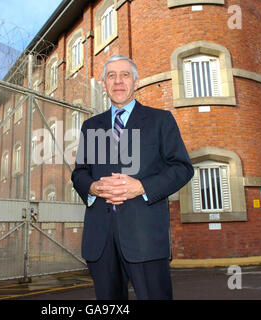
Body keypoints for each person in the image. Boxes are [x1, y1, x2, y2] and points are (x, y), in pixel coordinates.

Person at [71, 54, 194, 300]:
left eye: (125, 75)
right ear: (104, 84)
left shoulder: (161, 120)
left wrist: (141, 186)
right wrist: (94, 187)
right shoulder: (91, 126)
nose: (118, 81)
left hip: (145, 237)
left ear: (136, 82)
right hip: (100, 239)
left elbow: (182, 167)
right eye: (111, 76)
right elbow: (80, 173)